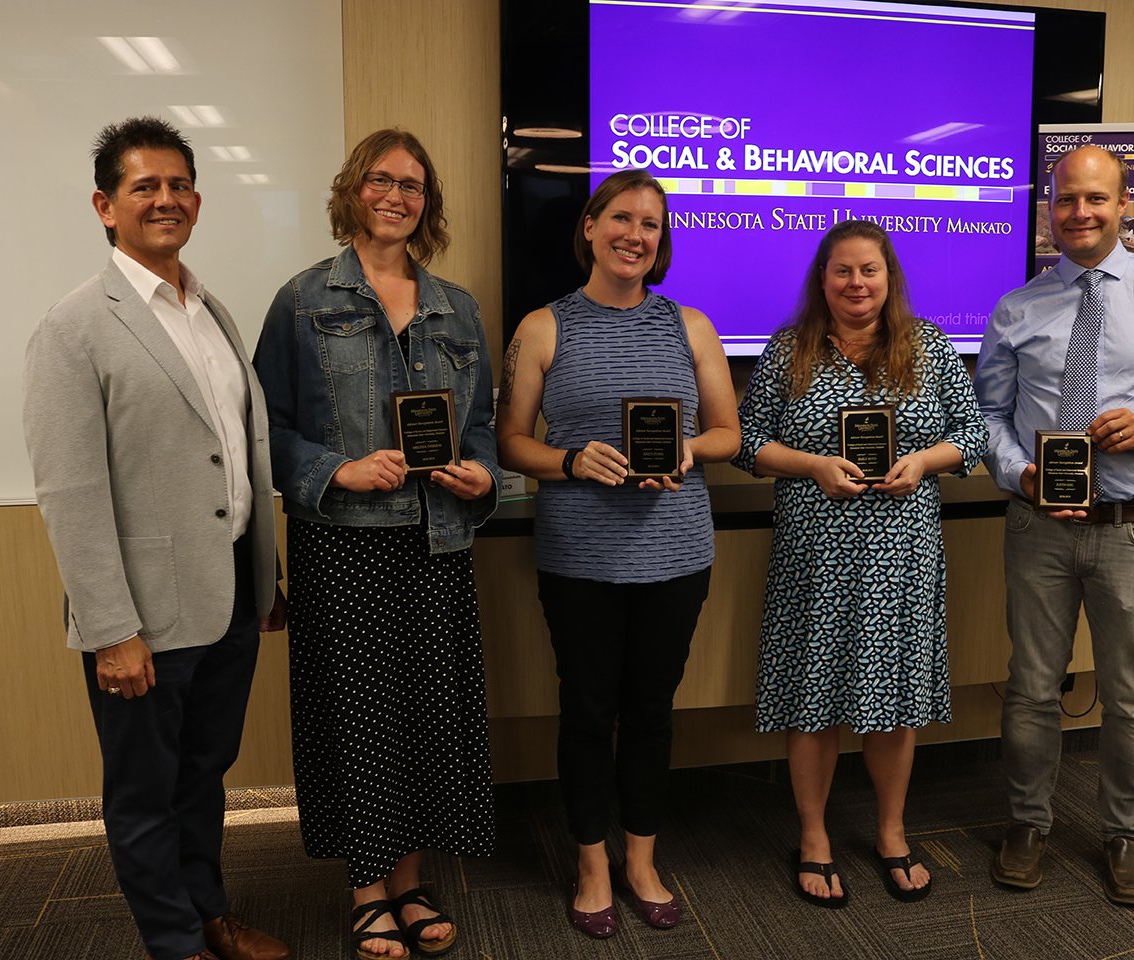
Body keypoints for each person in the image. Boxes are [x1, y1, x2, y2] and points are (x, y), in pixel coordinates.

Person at [22, 117, 290, 960]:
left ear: (197, 202)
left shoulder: (210, 311)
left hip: (230, 601)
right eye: (145, 187)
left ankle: (209, 912)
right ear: (106, 206)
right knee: (144, 794)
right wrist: (110, 629)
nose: (165, 200)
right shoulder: (74, 327)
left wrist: (264, 575)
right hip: (142, 618)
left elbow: (236, 454)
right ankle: (175, 944)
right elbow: (70, 490)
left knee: (202, 779)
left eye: (178, 186)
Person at [252, 128, 500, 960]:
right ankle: (367, 886)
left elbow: (487, 428)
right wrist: (337, 470)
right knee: (360, 720)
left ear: (427, 205)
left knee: (430, 715)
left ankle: (411, 880)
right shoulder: (301, 301)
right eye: (382, 181)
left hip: (438, 540)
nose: (398, 196)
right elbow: (267, 432)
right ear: (353, 189)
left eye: (415, 187)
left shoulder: (456, 307)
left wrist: (481, 476)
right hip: (345, 543)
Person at [975, 145, 1134, 906]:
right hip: (1039, 526)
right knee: (1030, 687)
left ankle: (1128, 835)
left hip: (1133, 524)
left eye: (1096, 199)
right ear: (1048, 209)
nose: (1080, 213)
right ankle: (1028, 823)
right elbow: (988, 414)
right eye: (1065, 200)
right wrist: (1017, 470)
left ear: (1127, 206)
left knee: (1132, 693)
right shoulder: (1018, 308)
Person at [495, 169, 740, 938]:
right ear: (592, 227)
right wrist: (571, 460)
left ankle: (641, 859)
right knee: (587, 711)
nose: (637, 235)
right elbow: (510, 442)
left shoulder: (690, 326)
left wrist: (690, 452)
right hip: (579, 558)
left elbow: (729, 434)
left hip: (675, 553)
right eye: (623, 219)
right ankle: (592, 862)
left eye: (653, 225)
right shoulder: (543, 326)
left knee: (650, 713)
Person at [734, 220, 987, 907]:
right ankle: (813, 838)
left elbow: (974, 435)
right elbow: (747, 441)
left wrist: (924, 461)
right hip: (813, 558)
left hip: (900, 558)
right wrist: (813, 464)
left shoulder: (929, 346)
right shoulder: (789, 350)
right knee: (812, 703)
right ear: (823, 279)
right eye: (843, 271)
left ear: (889, 278)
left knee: (892, 703)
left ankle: (891, 832)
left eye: (869, 271)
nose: (856, 284)